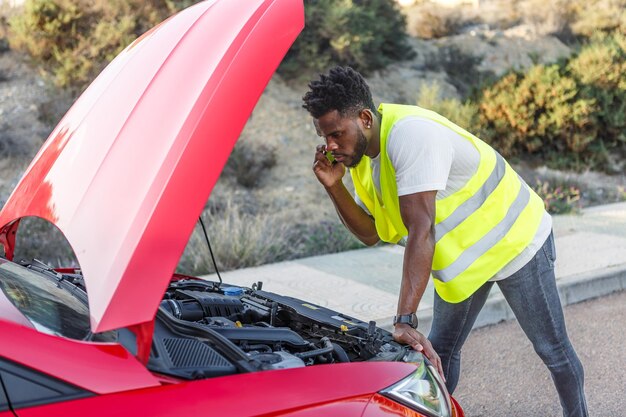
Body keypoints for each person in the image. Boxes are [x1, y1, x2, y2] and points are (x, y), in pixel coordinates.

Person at [302, 66, 588, 417]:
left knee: (553, 351)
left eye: (335, 134)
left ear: (363, 118)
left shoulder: (411, 136)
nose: (330, 146)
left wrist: (405, 318)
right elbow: (371, 233)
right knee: (439, 352)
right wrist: (334, 186)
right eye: (324, 136)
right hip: (465, 261)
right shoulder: (358, 156)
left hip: (515, 241)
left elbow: (421, 230)